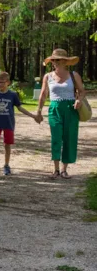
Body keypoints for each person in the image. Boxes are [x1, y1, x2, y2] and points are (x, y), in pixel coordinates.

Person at [0, 71, 41, 177]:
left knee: (7, 145)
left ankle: (6, 165)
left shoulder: (13, 95)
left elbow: (20, 108)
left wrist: (33, 116)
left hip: (9, 124)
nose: (0, 84)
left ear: (8, 83)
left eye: (2, 82)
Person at [36, 49, 85, 180]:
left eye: (57, 60)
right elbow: (43, 95)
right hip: (54, 109)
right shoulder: (48, 76)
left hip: (71, 109)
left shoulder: (74, 75)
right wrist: (39, 111)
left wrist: (79, 100)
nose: (54, 62)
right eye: (53, 60)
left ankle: (64, 169)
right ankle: (56, 169)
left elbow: (82, 91)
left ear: (65, 61)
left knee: (69, 138)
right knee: (56, 138)